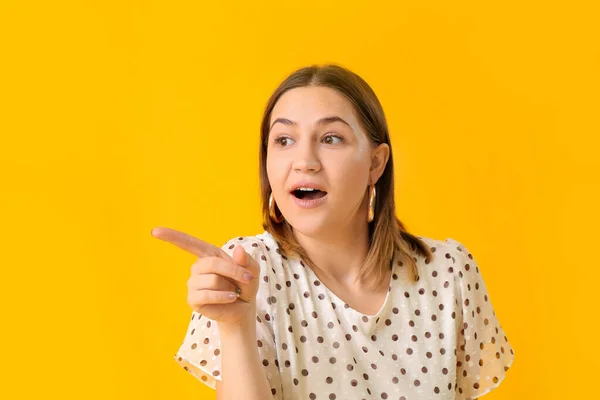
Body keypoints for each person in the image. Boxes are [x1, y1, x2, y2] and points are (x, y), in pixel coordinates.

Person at [152, 64, 515, 399]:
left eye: (331, 138)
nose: (304, 161)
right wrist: (235, 325)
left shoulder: (449, 272)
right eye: (284, 140)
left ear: (376, 163)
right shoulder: (245, 272)